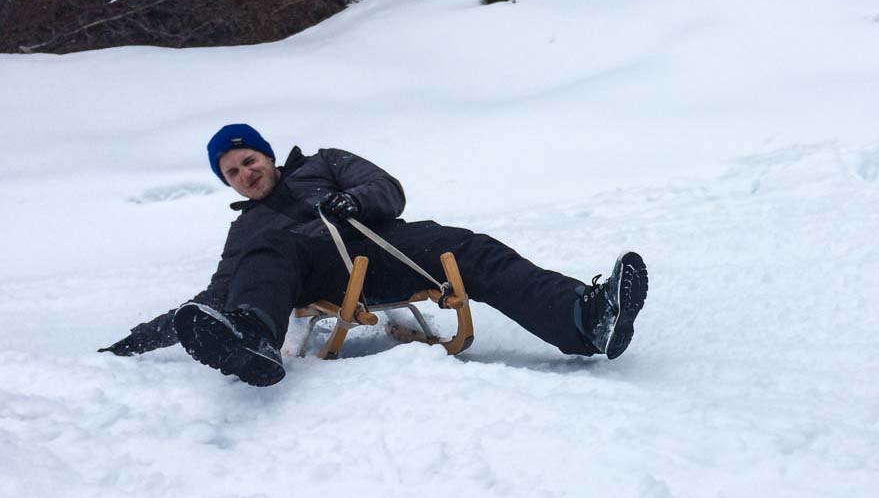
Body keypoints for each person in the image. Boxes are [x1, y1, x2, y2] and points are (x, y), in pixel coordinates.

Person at [100, 123, 648, 386]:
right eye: (233, 173)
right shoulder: (249, 230)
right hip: (317, 277)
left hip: (381, 247)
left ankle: (585, 318)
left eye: (249, 160)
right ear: (228, 183)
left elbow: (387, 189)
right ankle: (253, 341)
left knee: (468, 247)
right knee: (266, 249)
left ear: (267, 155)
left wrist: (353, 201)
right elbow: (218, 293)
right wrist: (138, 340)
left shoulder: (325, 163)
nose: (246, 173)